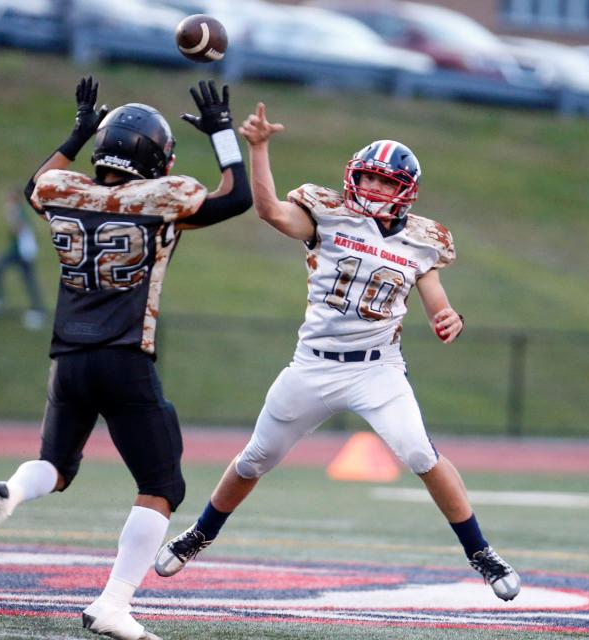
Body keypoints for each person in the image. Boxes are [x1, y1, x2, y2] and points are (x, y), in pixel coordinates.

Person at [154, 103, 521, 602]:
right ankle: (201, 533)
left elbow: (432, 291)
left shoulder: (423, 240)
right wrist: (258, 148)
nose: (371, 188)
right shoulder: (328, 214)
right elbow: (269, 211)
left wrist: (447, 315)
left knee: (419, 451)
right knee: (254, 459)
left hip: (378, 370)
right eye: (366, 178)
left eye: (384, 182)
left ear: (404, 191)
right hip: (314, 364)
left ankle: (480, 551)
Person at [0, 76, 252, 640]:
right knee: (163, 486)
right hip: (123, 355)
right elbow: (236, 196)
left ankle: (8, 493)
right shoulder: (161, 197)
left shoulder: (61, 190)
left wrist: (78, 131)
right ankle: (113, 604)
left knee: (54, 467)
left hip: (68, 358)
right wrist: (223, 133)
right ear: (156, 159)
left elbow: (34, 183)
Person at [0, 188, 46, 330]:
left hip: (22, 253)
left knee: (27, 281)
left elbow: (17, 230)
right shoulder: (17, 211)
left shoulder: (17, 212)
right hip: (16, 251)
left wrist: (11, 216)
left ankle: (37, 311)